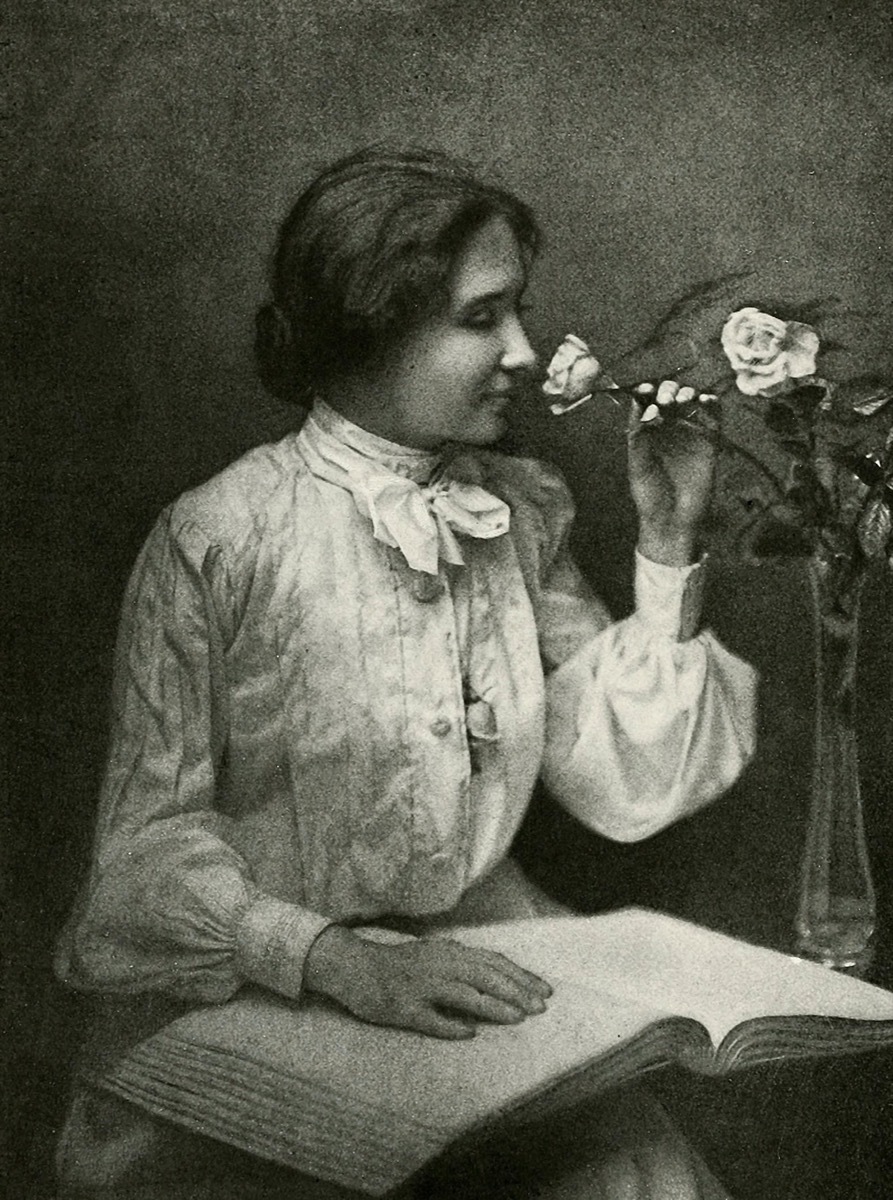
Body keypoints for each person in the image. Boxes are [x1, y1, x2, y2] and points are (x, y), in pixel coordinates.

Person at [55, 147, 757, 1198]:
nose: (523, 350)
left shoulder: (516, 511)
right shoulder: (221, 536)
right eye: (481, 320)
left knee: (640, 1183)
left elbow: (617, 778)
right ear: (369, 324)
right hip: (260, 997)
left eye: (517, 312)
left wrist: (665, 540)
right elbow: (139, 857)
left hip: (486, 971)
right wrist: (332, 958)